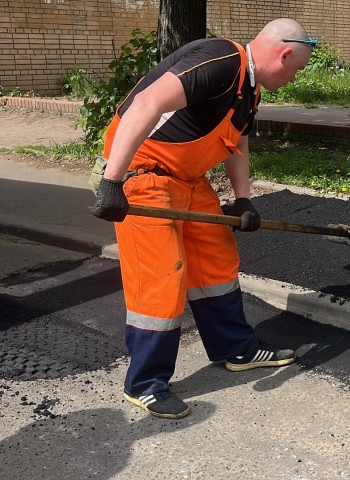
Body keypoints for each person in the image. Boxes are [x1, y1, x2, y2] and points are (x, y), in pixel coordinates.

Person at [90, 18, 315, 419]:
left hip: (187, 179)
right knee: (162, 275)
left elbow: (237, 140)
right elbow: (145, 104)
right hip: (142, 175)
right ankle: (145, 382)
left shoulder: (250, 87)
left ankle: (236, 348)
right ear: (283, 54)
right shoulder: (221, 61)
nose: (294, 78)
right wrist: (112, 182)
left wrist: (243, 199)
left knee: (216, 259)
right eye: (296, 69)